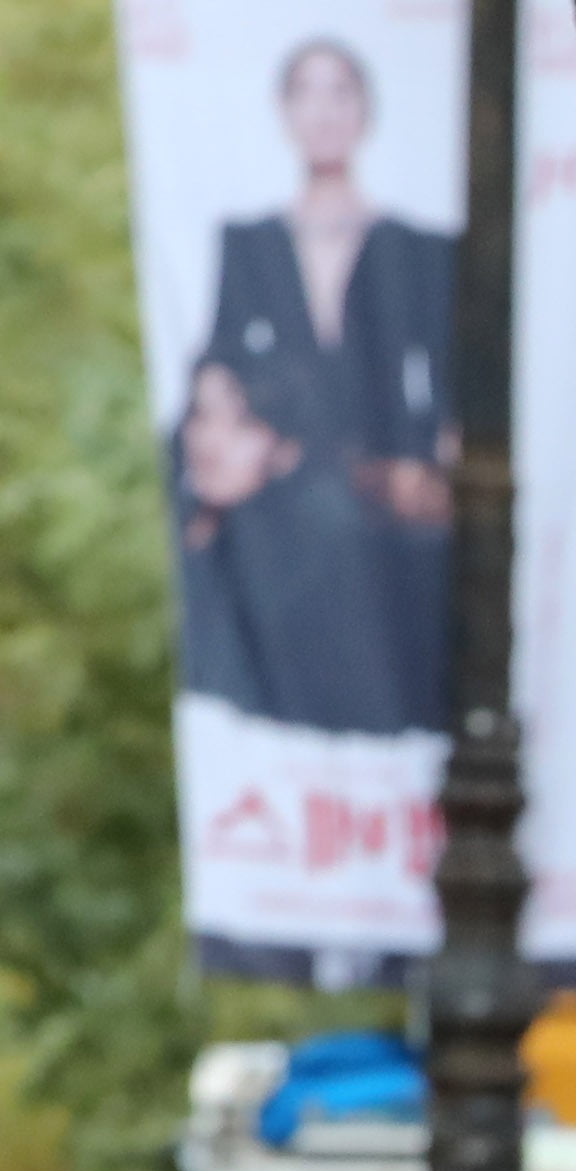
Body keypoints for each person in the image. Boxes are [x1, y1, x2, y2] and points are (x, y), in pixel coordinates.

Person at [168, 35, 458, 737]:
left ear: (364, 109)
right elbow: (220, 356)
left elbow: (446, 374)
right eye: (308, 93)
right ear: (285, 111)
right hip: (286, 466)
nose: (325, 112)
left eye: (341, 93)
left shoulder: (415, 246)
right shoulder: (249, 240)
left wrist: (437, 466)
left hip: (390, 465)